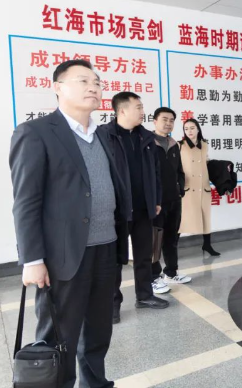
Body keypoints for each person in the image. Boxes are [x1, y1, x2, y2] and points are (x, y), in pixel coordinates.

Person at [10, 59, 130, 388]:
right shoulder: (36, 133)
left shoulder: (103, 135)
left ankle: (95, 383)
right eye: (83, 81)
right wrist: (32, 259)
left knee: (98, 333)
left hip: (105, 250)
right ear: (57, 87)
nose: (94, 87)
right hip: (63, 257)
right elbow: (26, 201)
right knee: (59, 337)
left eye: (97, 82)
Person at [101, 92, 168, 324]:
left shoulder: (146, 137)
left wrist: (156, 200)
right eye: (138, 107)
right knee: (114, 260)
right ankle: (111, 305)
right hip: (117, 210)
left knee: (144, 255)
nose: (142, 111)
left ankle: (145, 295)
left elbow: (156, 173)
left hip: (143, 208)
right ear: (122, 110)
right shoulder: (104, 136)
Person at [152, 107, 191, 285]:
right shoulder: (148, 144)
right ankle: (153, 277)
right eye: (164, 119)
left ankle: (171, 272)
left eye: (171, 120)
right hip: (156, 202)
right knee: (154, 240)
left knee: (172, 237)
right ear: (155, 121)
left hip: (174, 200)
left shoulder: (174, 144)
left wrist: (179, 190)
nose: (168, 123)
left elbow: (179, 171)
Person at [179, 118, 218, 256]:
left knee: (205, 218)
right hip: (189, 188)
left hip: (203, 187)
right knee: (183, 220)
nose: (189, 131)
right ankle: (171, 247)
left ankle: (207, 245)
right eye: (186, 129)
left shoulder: (204, 144)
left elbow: (206, 162)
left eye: (192, 128)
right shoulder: (180, 145)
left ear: (198, 129)